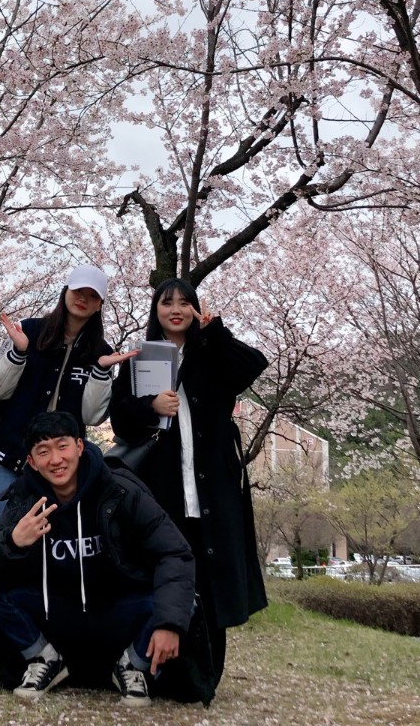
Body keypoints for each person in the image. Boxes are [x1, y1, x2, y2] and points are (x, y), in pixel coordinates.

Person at [0, 411, 200, 708]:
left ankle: (133, 665)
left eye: (62, 446)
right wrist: (13, 541)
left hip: (117, 608)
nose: (55, 460)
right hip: (57, 611)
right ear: (31, 462)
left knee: (184, 602)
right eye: (43, 452)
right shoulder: (24, 500)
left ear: (79, 447)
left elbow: (174, 553)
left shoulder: (120, 490)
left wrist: (169, 624)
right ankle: (44, 658)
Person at [109, 277, 269, 689]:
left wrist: (215, 331)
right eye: (166, 303)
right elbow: (120, 421)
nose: (175, 309)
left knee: (211, 583)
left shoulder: (211, 352)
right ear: (155, 310)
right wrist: (151, 406)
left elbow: (252, 365)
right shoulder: (142, 358)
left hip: (212, 486)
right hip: (162, 488)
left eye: (184, 302)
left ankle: (206, 674)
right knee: (165, 578)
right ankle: (162, 672)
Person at [0, 264, 137, 517]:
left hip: (62, 468)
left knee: (56, 542)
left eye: (92, 296)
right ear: (65, 291)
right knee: (13, 536)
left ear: (99, 304)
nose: (83, 299)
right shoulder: (29, 331)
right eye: (78, 291)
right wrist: (19, 353)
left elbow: (91, 417)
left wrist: (101, 371)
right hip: (10, 455)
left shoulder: (102, 352)